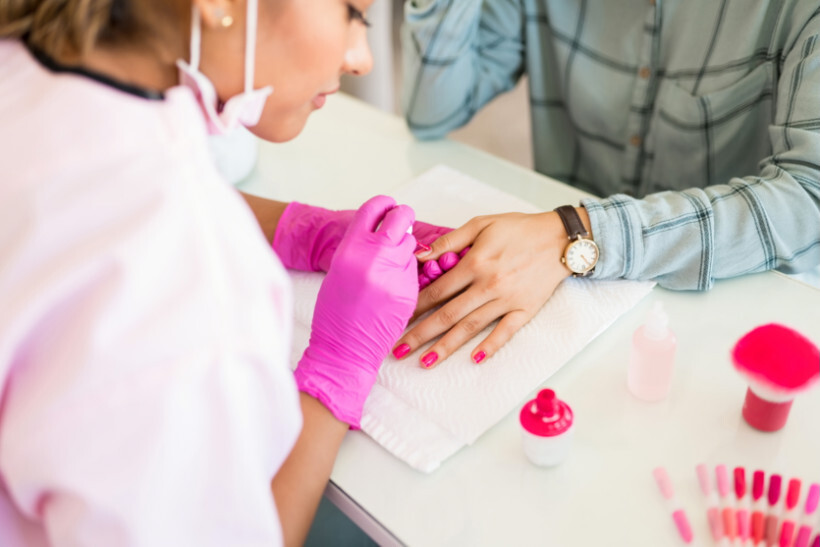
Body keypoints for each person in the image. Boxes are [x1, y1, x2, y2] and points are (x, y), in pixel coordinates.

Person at [0, 0, 447, 544]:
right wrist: (338, 370)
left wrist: (297, 229)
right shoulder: (188, 277)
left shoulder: (29, 66)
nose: (361, 59)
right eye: (354, 13)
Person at [391, 0, 820, 369]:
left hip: (725, 315)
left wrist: (579, 231)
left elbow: (806, 199)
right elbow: (433, 111)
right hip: (557, 299)